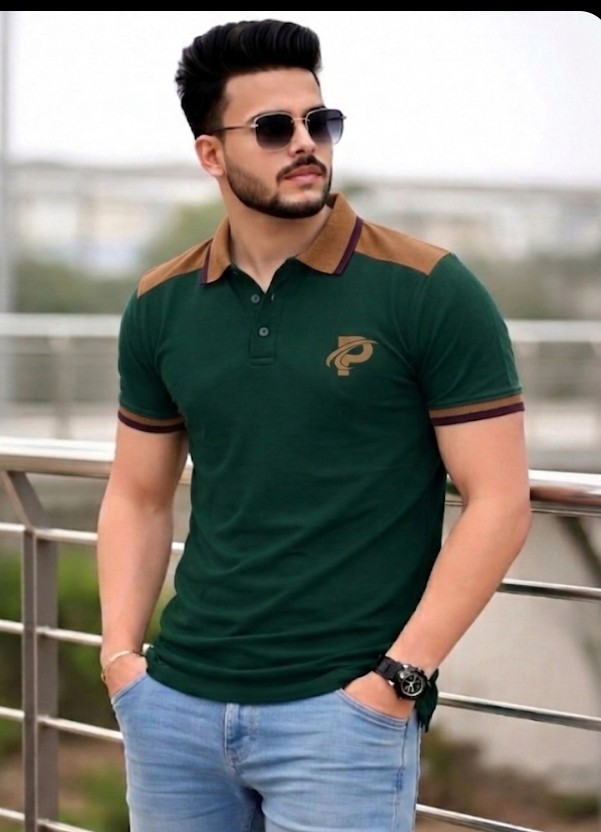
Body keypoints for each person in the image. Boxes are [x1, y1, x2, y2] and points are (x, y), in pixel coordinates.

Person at [96, 17, 532, 832]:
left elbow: (499, 501)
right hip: (175, 705)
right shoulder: (160, 302)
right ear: (211, 153)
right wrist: (122, 658)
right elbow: (137, 495)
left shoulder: (428, 288)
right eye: (272, 127)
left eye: (319, 121)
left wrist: (397, 682)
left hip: (342, 716)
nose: (305, 142)